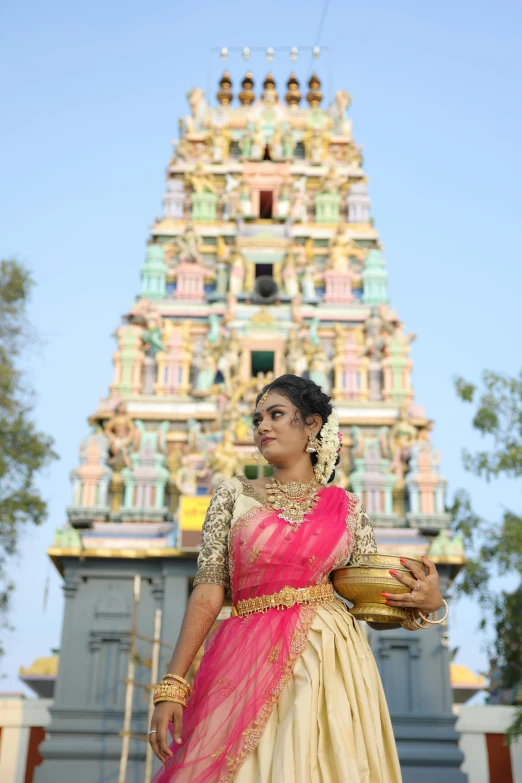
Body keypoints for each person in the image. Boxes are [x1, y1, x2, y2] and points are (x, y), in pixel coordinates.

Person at [148, 374, 445, 782]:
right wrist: (173, 685)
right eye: (257, 420)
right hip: (245, 656)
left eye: (276, 415)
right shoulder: (233, 495)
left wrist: (424, 604)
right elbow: (208, 591)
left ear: (311, 425)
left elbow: (369, 601)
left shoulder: (347, 506)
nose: (262, 427)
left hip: (329, 660)